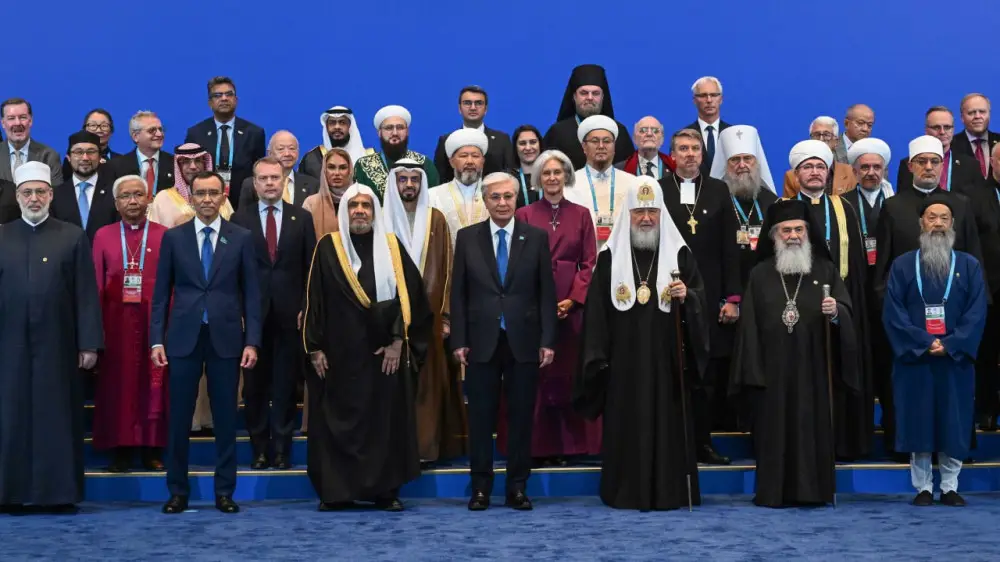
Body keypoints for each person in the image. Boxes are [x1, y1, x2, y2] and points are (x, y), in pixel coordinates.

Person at [575, 180, 709, 510]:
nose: (646, 218)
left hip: (667, 362)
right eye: (639, 212)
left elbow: (699, 300)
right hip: (623, 363)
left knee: (668, 424)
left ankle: (669, 491)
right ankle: (625, 492)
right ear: (628, 214)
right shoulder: (610, 258)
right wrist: (599, 359)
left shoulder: (679, 253)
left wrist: (688, 297)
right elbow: (596, 314)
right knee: (626, 424)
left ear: (661, 213)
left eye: (652, 211)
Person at [302, 184, 433, 512]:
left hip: (383, 357)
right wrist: (315, 348)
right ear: (344, 211)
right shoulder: (328, 247)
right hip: (338, 357)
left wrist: (397, 342)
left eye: (366, 205)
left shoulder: (391, 247)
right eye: (353, 205)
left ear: (375, 211)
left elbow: (411, 300)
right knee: (336, 423)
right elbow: (314, 300)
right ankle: (337, 492)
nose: (359, 211)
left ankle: (385, 492)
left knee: (384, 425)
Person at [730, 198, 861, 507]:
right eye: (786, 230)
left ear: (808, 232)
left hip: (814, 369)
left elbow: (846, 312)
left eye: (799, 230)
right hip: (772, 372)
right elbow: (748, 328)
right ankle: (773, 493)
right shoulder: (760, 274)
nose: (793, 236)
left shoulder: (826, 270)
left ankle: (813, 492)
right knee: (773, 432)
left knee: (811, 430)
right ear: (774, 235)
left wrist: (836, 312)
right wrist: (754, 372)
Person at [151, 171, 261, 515]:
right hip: (182, 339)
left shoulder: (241, 238)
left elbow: (252, 295)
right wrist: (156, 340)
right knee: (179, 419)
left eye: (214, 193)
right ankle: (177, 492)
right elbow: (160, 294)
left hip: (226, 340)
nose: (208, 199)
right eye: (201, 193)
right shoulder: (174, 238)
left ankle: (225, 492)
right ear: (192, 197)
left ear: (223, 196)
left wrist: (252, 341)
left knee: (226, 419)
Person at [451, 172, 557, 512]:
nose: (502, 203)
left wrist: (548, 340)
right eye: (495, 197)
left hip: (524, 341)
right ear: (485, 200)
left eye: (508, 196)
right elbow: (458, 293)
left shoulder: (536, 237)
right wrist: (459, 339)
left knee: (521, 418)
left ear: (517, 199)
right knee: (480, 419)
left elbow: (546, 293)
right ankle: (480, 488)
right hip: (480, 341)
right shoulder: (467, 237)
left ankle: (517, 488)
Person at [0, 162, 102, 512]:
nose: (34, 198)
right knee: (10, 417)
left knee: (55, 416)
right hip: (8, 346)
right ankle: (8, 493)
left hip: (57, 344)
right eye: (27, 192)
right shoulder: (1, 236)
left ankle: (57, 494)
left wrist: (88, 343)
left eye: (40, 192)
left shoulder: (71, 236)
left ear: (50, 195)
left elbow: (85, 294)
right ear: (17, 196)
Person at [873, 135, 985, 454]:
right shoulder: (893, 207)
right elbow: (883, 265)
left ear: (942, 165)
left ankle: (958, 450)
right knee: (911, 394)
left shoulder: (960, 203)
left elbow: (973, 254)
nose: (928, 167)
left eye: (934, 161)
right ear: (910, 166)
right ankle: (904, 449)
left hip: (955, 315)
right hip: (908, 318)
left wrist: (959, 335)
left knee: (955, 396)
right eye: (921, 161)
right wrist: (892, 315)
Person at [883, 195, 986, 506]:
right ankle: (923, 488)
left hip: (955, 360)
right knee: (918, 421)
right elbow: (893, 312)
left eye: (944, 218)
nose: (938, 223)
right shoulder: (903, 265)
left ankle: (950, 486)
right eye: (932, 217)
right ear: (921, 223)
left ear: (952, 224)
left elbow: (976, 312)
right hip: (915, 360)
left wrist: (951, 344)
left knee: (954, 421)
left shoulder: (969, 265)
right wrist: (925, 342)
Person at [503, 149, 598, 465]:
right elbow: (517, 263)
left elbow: (589, 262)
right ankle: (537, 447)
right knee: (536, 377)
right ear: (538, 178)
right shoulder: (524, 214)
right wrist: (540, 303)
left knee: (568, 373)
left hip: (573, 308)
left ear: (567, 176)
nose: (553, 178)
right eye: (546, 173)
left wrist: (574, 298)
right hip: (534, 306)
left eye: (558, 172)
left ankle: (572, 447)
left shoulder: (582, 214)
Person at [788, 139, 873, 460]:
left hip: (838, 307)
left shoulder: (844, 208)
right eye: (807, 167)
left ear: (828, 173)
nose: (814, 172)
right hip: (797, 309)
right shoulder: (785, 210)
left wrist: (848, 309)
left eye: (820, 167)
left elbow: (858, 266)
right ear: (796, 174)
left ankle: (841, 444)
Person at [231, 157, 316, 470]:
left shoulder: (301, 218)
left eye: (275, 178)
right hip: (251, 318)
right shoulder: (239, 218)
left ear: (284, 182)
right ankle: (259, 450)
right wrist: (239, 310)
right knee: (254, 387)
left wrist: (306, 306)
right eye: (263, 178)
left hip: (290, 316)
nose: (269, 183)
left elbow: (310, 268)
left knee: (285, 385)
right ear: (254, 184)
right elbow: (232, 271)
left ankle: (281, 450)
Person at [660, 128, 739, 461]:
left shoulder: (719, 190)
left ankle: (703, 443)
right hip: (668, 294)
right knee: (670, 371)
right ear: (672, 155)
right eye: (683, 148)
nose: (690, 154)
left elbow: (730, 249)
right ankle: (671, 444)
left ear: (702, 154)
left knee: (704, 375)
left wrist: (732, 299)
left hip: (708, 297)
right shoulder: (659, 189)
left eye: (695, 148)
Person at [382, 159, 466, 464]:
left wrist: (446, 316)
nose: (409, 185)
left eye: (414, 180)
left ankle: (426, 449)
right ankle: (395, 451)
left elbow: (448, 269)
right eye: (402, 179)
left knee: (429, 386)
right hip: (390, 320)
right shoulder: (382, 219)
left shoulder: (436, 218)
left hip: (430, 319)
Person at [91, 175, 168, 472]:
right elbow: (96, 284)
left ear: (149, 199)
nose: (133, 201)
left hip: (154, 322)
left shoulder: (165, 235)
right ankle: (120, 450)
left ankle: (152, 449)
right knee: (118, 386)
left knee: (154, 385)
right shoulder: (103, 236)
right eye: (125, 196)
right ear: (116, 203)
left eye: (138, 194)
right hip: (115, 325)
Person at [714, 126, 778, 431]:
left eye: (748, 159)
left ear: (757, 163)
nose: (742, 165)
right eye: (735, 160)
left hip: (766, 301)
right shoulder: (716, 200)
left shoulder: (772, 202)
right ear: (726, 165)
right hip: (728, 300)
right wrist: (730, 297)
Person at [184, 76, 266, 208]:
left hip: (244, 203)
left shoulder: (254, 133)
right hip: (206, 201)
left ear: (236, 100)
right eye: (218, 95)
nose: (224, 98)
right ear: (210, 103)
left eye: (229, 94)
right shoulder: (196, 133)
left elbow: (259, 172)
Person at [564, 115, 638, 253]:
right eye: (595, 141)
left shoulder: (632, 183)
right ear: (584, 147)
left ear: (614, 147)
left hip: (623, 256)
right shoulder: (569, 184)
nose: (601, 146)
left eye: (607, 141)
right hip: (583, 258)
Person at [543, 64, 634, 169]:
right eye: (584, 93)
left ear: (603, 97)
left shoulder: (619, 132)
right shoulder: (557, 133)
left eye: (595, 93)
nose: (590, 98)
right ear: (574, 96)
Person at [971, 144, 1000, 430]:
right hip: (991, 285)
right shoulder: (977, 196)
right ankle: (988, 410)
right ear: (992, 162)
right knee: (987, 353)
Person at [355, 105, 439, 200]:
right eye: (389, 128)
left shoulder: (424, 163)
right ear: (379, 132)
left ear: (407, 131)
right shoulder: (363, 165)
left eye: (400, 128)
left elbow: (434, 201)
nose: (395, 133)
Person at [433, 86, 514, 183]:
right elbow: (439, 178)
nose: (473, 108)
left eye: (478, 103)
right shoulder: (446, 140)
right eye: (467, 103)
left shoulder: (502, 139)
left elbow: (510, 176)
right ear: (459, 108)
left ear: (486, 109)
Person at [51, 131, 119, 241]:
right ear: (68, 157)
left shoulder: (115, 192)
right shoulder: (56, 195)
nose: (85, 158)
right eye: (78, 152)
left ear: (100, 157)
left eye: (91, 152)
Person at [896, 106, 983, 192]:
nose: (942, 132)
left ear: (953, 130)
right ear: (926, 130)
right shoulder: (908, 164)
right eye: (936, 127)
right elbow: (903, 198)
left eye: (947, 127)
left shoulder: (971, 165)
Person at [428, 128, 491, 246]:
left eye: (475, 156)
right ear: (451, 162)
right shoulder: (432, 196)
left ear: (483, 161)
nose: (470, 161)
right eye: (463, 156)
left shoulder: (495, 194)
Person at [237, 131, 319, 208]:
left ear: (298, 153)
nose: (287, 154)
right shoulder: (250, 185)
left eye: (292, 148)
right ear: (269, 153)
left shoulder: (313, 184)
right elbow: (243, 215)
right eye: (280, 149)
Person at [107, 111, 175, 198]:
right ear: (136, 136)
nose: (159, 134)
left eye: (160, 129)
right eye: (152, 130)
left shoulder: (174, 163)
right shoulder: (116, 166)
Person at [782, 117, 857, 197]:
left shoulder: (851, 173)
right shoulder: (792, 176)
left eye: (826, 135)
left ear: (836, 142)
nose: (821, 139)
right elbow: (790, 204)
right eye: (816, 135)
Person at [0, 98, 63, 185]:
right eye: (11, 118)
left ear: (30, 121)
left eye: (23, 117)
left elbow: (57, 191)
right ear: (3, 123)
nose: (17, 123)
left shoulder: (48, 156)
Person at [299, 106, 370, 179]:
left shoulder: (369, 158)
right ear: (326, 127)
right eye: (332, 123)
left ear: (350, 126)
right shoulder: (312, 159)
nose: (337, 127)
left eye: (342, 122)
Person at [683, 77, 730, 177]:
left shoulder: (731, 133)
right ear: (694, 100)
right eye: (703, 95)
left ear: (721, 99)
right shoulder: (683, 136)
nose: (709, 100)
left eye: (713, 95)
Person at [302, 148, 353, 237]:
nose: (337, 173)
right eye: (331, 167)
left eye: (343, 168)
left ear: (350, 171)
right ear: (324, 170)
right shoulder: (311, 204)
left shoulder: (359, 201)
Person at [62, 109, 119, 182]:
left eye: (104, 126)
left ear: (111, 131)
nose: (98, 130)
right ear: (84, 129)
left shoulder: (121, 161)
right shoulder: (72, 160)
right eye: (93, 125)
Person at [951, 93, 999, 178]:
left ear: (989, 115)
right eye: (971, 113)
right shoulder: (951, 145)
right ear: (962, 117)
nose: (977, 116)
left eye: (982, 112)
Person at [510, 125, 543, 207]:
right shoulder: (508, 179)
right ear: (515, 147)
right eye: (522, 143)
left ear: (540, 145)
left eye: (533, 142)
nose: (528, 148)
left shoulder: (551, 175)